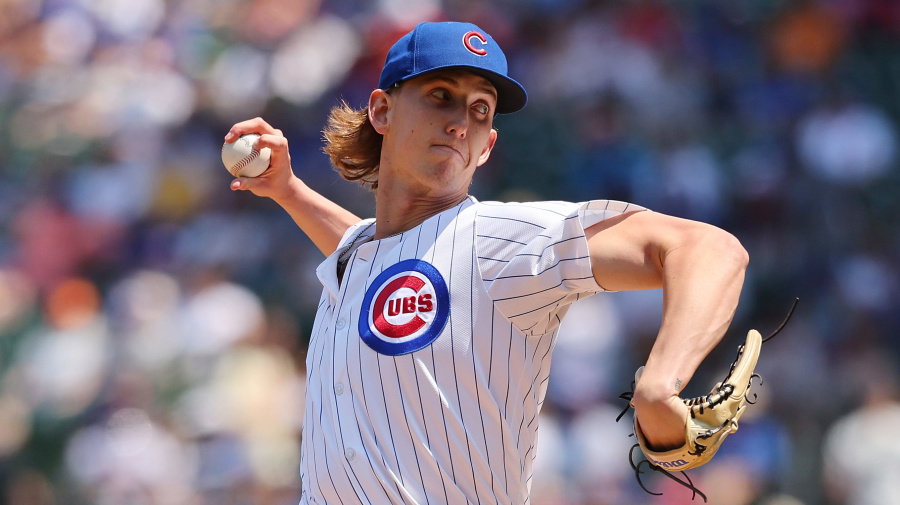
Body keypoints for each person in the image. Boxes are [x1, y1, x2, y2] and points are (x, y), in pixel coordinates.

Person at [223, 21, 748, 505]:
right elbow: (372, 246)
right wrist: (288, 190)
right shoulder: (361, 256)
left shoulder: (498, 242)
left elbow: (709, 249)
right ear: (382, 110)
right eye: (441, 97)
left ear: (488, 146)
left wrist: (659, 385)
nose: (459, 123)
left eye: (479, 110)